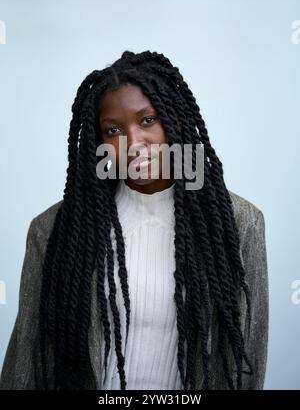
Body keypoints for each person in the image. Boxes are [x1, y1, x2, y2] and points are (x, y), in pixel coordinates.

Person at [0, 50, 268, 390]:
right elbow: (25, 359)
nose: (131, 143)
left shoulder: (239, 224)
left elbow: (249, 360)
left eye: (147, 120)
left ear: (175, 120)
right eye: (112, 129)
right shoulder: (55, 230)